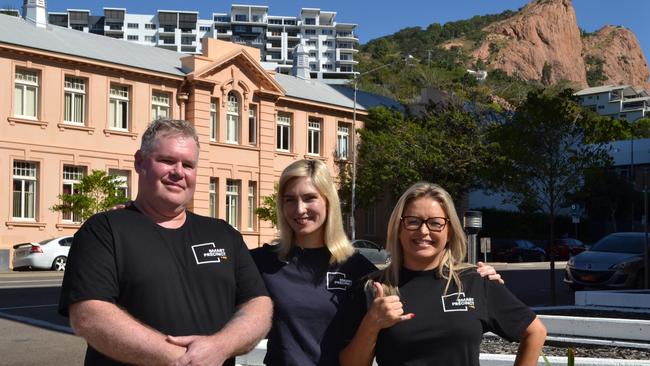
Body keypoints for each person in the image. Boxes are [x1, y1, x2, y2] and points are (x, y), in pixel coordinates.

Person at [58, 119, 272, 366]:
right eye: (167, 161)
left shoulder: (223, 234)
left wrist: (220, 347)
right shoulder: (104, 230)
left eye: (188, 165)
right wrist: (188, 360)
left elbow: (258, 303)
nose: (179, 172)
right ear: (140, 162)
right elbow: (89, 316)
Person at [250, 160, 504, 366]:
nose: (299, 209)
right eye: (289, 199)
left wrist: (479, 280)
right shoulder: (261, 263)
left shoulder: (359, 270)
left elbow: (420, 289)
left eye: (309, 198)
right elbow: (214, 287)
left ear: (328, 201)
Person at [340, 182, 547, 366]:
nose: (423, 231)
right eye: (413, 221)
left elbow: (535, 332)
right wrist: (371, 324)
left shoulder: (475, 281)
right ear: (398, 228)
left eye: (435, 223)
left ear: (449, 231)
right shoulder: (373, 289)